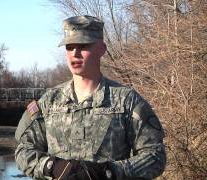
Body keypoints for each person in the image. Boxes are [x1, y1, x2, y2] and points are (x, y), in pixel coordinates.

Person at [14, 15, 166, 180]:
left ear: (102, 49)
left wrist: (111, 171)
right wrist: (52, 167)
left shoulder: (127, 101)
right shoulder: (49, 102)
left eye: (83, 46)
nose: (75, 53)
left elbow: (155, 155)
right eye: (69, 47)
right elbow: (24, 151)